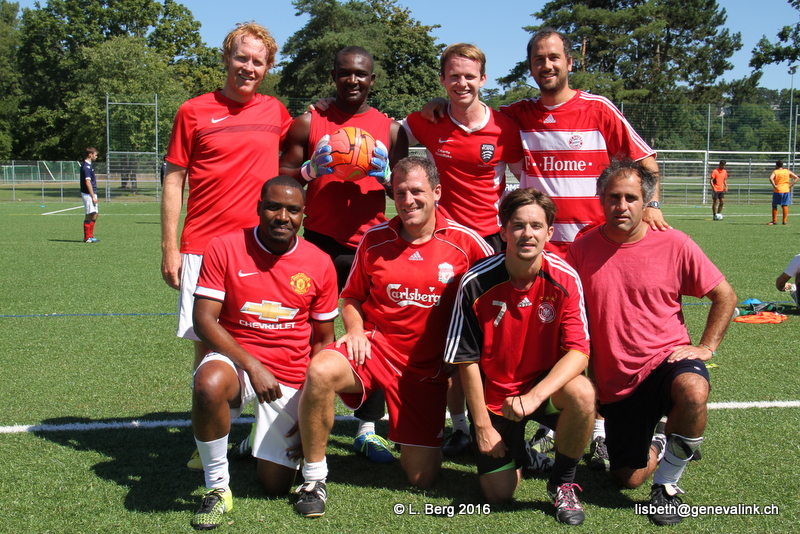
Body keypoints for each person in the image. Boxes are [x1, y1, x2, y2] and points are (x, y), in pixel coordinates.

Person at [293, 157, 493, 518]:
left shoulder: (467, 243)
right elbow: (351, 298)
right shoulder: (374, 239)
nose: (408, 200)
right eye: (400, 192)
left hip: (426, 371)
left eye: (417, 191)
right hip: (375, 350)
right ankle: (313, 477)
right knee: (320, 370)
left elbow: (495, 291)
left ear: (437, 192)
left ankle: (415, 434)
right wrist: (355, 329)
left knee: (421, 478)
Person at [566, 159, 737, 526]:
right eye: (613, 197)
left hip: (666, 361)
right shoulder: (581, 251)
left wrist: (706, 347)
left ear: (646, 202)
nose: (621, 206)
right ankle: (661, 440)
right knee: (626, 479)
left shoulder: (674, 243)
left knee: (693, 389)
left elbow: (725, 296)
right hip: (618, 384)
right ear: (601, 200)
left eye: (631, 198)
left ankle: (667, 486)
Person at [161, 22, 292, 471]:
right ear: (226, 58)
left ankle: (261, 434)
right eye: (241, 57)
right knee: (207, 347)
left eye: (258, 61)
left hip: (261, 250)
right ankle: (212, 443)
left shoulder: (276, 111)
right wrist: (170, 247)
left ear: (267, 68)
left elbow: (307, 143)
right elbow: (174, 179)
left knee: (267, 335)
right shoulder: (193, 111)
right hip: (204, 248)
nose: (248, 67)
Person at [279, 46, 408, 464]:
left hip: (370, 247)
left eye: (361, 74)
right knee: (301, 333)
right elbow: (282, 179)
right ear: (334, 75)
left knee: (372, 336)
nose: (353, 80)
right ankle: (286, 420)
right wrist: (308, 171)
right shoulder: (308, 121)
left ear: (372, 80)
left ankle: (367, 429)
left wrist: (387, 179)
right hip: (318, 242)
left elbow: (407, 192)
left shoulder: (391, 130)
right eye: (345, 73)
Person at [189, 176, 338, 530]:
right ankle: (217, 488)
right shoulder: (225, 247)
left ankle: (258, 438)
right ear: (258, 208)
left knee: (274, 485)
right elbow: (204, 320)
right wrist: (253, 366)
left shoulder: (319, 262)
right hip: (239, 363)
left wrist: (310, 410)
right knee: (208, 383)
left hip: (289, 373)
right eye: (273, 207)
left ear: (303, 215)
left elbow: (323, 343)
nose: (282, 217)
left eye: (293, 210)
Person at [401, 43, 524, 457]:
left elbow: (525, 181)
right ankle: (459, 427)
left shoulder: (504, 127)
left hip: (491, 243)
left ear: (483, 79)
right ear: (442, 80)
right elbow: (391, 133)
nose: (462, 83)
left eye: (469, 76)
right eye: (453, 76)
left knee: (496, 337)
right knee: (447, 337)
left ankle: (503, 420)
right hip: (446, 243)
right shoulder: (428, 120)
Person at [444, 187, 594, 525]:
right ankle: (524, 454)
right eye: (518, 225)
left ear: (549, 232)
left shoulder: (565, 278)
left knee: (583, 394)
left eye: (536, 226)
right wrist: (482, 426)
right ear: (503, 231)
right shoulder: (475, 282)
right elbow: (465, 360)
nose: (528, 234)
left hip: (543, 389)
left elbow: (579, 351)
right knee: (499, 493)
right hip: (496, 396)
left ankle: (562, 482)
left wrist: (534, 396)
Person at [768, 160, 799, 225]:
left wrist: (774, 185)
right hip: (786, 190)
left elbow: (771, 178)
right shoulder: (787, 171)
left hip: (778, 190)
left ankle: (774, 221)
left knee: (774, 205)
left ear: (776, 165)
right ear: (782, 165)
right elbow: (796, 178)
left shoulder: (776, 171)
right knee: (784, 205)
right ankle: (784, 221)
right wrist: (790, 185)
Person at [80, 147, 99, 243]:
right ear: (90, 154)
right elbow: (87, 182)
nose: (96, 156)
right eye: (95, 155)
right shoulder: (86, 167)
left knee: (95, 214)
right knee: (89, 214)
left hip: (92, 193)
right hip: (88, 194)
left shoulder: (89, 166)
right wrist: (93, 196)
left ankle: (90, 236)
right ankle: (87, 237)